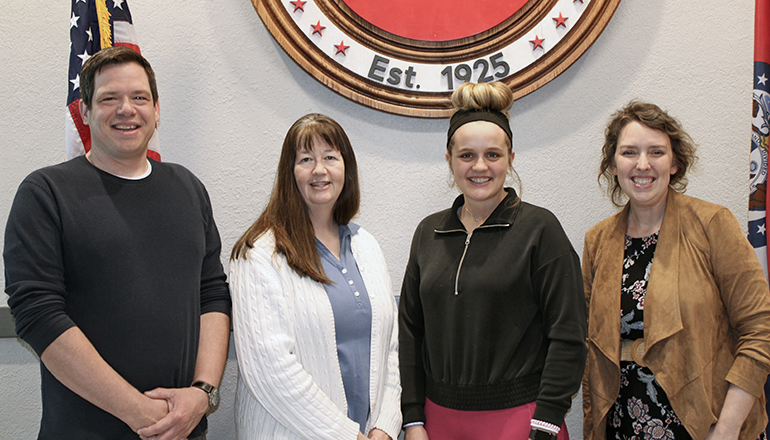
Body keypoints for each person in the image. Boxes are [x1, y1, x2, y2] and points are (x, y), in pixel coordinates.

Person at [3, 46, 232, 440]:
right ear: (85, 112)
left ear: (157, 110)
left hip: (186, 429)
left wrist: (203, 393)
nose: (127, 109)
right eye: (109, 98)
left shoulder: (188, 188)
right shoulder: (45, 193)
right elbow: (37, 314)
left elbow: (211, 293)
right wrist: (139, 412)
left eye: (139, 97)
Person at [398, 82, 587, 440]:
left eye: (493, 155)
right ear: (449, 160)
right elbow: (410, 330)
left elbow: (568, 332)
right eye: (467, 155)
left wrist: (546, 423)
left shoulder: (539, 229)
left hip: (520, 422)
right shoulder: (428, 233)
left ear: (511, 159)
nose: (479, 167)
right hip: (437, 422)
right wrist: (412, 419)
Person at [582, 101, 770, 440]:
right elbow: (588, 348)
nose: (643, 164)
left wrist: (727, 429)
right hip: (624, 425)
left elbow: (761, 330)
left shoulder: (713, 224)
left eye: (656, 152)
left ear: (675, 162)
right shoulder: (597, 241)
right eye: (629, 152)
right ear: (613, 164)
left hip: (706, 426)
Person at [229, 113, 401, 440]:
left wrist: (386, 426)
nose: (319, 170)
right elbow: (270, 372)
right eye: (306, 159)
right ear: (289, 174)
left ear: (346, 169)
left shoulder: (366, 245)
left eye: (330, 158)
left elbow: (390, 347)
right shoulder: (259, 255)